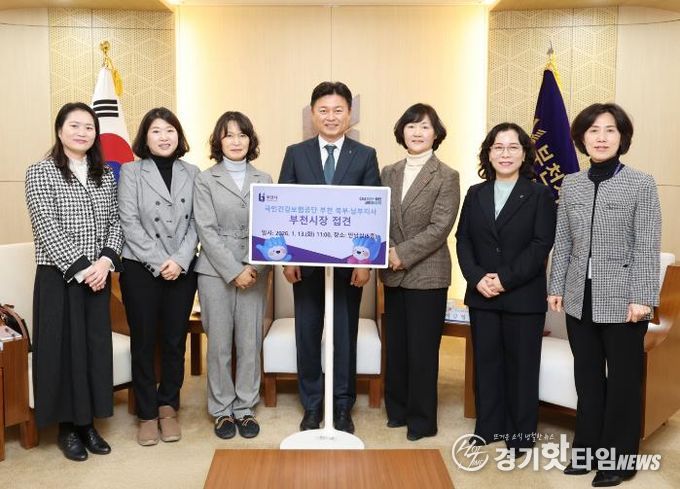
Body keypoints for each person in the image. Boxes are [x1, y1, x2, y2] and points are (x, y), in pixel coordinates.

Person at [548, 103, 661, 487]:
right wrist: (556, 286)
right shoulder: (572, 184)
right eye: (593, 130)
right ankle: (586, 450)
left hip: (626, 300)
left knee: (624, 382)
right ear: (581, 138)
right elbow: (564, 241)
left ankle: (619, 459)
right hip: (579, 296)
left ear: (622, 137)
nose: (601, 137)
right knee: (587, 378)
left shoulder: (641, 183)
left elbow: (647, 245)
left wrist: (643, 297)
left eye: (610, 130)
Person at [278, 81, 381, 434]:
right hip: (305, 266)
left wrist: (365, 263)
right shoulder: (296, 153)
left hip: (349, 268)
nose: (331, 116)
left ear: (349, 114)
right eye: (323, 110)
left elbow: (371, 212)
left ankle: (341, 405)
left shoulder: (365, 155)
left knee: (343, 336)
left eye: (338, 110)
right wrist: (287, 259)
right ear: (312, 114)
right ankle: (312, 405)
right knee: (307, 334)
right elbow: (284, 210)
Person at [25, 102, 124, 461]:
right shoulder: (40, 172)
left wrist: (105, 262)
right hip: (60, 278)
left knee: (93, 349)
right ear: (59, 130)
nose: (82, 132)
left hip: (98, 275)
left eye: (89, 127)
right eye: (74, 125)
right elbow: (46, 226)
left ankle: (88, 423)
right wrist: (84, 269)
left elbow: (116, 222)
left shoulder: (104, 174)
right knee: (63, 351)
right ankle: (67, 428)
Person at [456, 122, 556, 453]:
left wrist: (504, 279)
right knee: (486, 363)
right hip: (482, 294)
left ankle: (520, 435)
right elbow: (463, 239)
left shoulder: (540, 194)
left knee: (522, 367)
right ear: (488, 153)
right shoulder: (476, 193)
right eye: (498, 147)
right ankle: (488, 427)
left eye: (513, 147)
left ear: (525, 154)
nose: (505, 154)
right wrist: (476, 277)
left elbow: (541, 245)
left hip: (523, 296)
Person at [118, 107, 199, 446]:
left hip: (182, 269)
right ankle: (147, 413)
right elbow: (128, 221)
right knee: (143, 340)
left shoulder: (193, 172)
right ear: (145, 137)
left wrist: (178, 261)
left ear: (178, 136)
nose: (164, 137)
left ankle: (168, 406)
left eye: (170, 130)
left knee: (174, 340)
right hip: (140, 267)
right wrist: (159, 260)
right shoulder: (131, 171)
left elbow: (198, 223)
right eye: (156, 131)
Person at [379, 103, 460, 441]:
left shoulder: (446, 176)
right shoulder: (389, 172)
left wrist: (402, 253)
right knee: (396, 348)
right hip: (392, 272)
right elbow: (377, 216)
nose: (417, 132)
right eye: (411, 126)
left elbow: (440, 227)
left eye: (425, 126)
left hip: (427, 273)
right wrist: (387, 251)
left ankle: (422, 421)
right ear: (402, 132)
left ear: (436, 134)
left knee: (422, 351)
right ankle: (397, 411)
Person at [193, 111, 272, 440]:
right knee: (220, 344)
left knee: (249, 341)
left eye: (242, 135)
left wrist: (253, 266)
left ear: (250, 140)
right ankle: (222, 410)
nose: (236, 141)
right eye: (229, 135)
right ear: (219, 141)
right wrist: (233, 270)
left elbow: (270, 228)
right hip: (215, 272)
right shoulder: (205, 179)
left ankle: (245, 407)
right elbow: (206, 230)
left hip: (255, 270)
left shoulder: (265, 179)